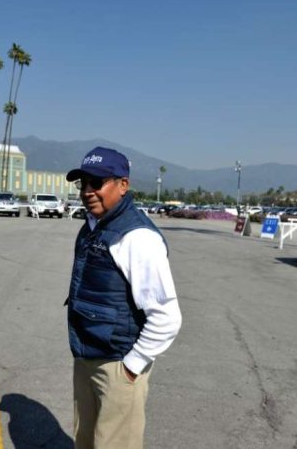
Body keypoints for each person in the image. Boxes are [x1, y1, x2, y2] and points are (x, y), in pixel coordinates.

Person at [65, 146, 182, 449]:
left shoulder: (138, 237)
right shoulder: (92, 227)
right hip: (87, 356)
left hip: (118, 364)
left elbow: (167, 317)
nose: (88, 191)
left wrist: (132, 365)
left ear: (123, 185)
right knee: (85, 441)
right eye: (84, 183)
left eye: (97, 182)